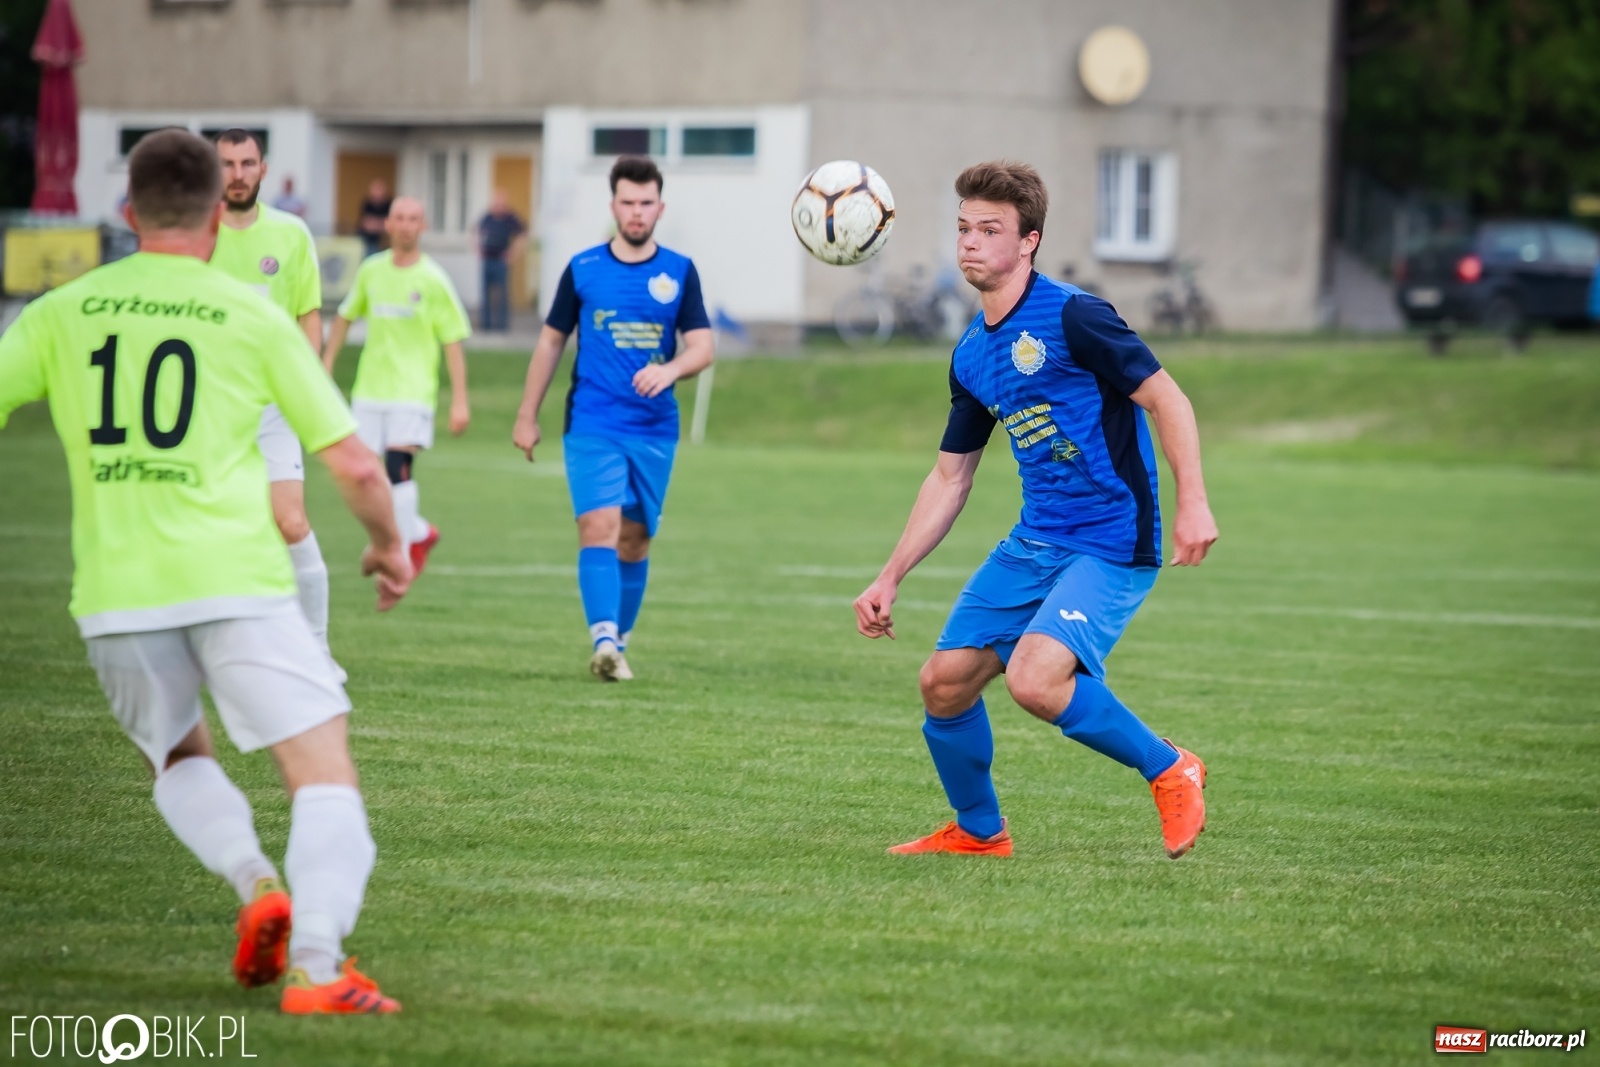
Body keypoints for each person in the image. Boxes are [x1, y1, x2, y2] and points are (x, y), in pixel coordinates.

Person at [0, 128, 411, 1012]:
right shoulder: (248, 315)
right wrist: (388, 545)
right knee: (322, 769)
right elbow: (355, 464)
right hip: (235, 582)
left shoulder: (62, 311)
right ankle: (318, 966)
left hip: (114, 596)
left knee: (178, 754)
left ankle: (255, 880)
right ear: (216, 220)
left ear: (128, 212)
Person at [852, 161, 1219, 859]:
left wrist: (1192, 502)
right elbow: (950, 476)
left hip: (1112, 538)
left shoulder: (1076, 316)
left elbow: (1167, 399)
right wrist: (889, 575)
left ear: (1029, 242)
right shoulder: (971, 355)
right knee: (943, 684)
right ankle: (979, 831)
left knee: (1035, 679)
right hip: (1038, 539)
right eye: (964, 228)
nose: (970, 242)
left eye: (990, 230)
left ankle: (1172, 768)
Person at [512, 156, 713, 682]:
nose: (637, 211)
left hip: (653, 428)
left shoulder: (679, 271)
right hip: (592, 421)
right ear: (613, 206)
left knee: (635, 538)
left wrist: (670, 370)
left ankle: (616, 646)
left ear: (660, 208)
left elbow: (703, 347)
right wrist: (527, 415)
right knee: (598, 525)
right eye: (628, 202)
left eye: (646, 202)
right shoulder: (583, 269)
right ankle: (602, 637)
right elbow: (550, 342)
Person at [210, 129, 337, 668]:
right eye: (226, 164)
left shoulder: (291, 234)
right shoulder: (196, 237)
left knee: (291, 523)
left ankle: (317, 651)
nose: (237, 174)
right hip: (207, 410)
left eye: (247, 163)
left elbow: (309, 317)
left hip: (272, 407)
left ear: (263, 169)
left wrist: (304, 388)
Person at [323, 196, 471, 578]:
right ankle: (418, 532)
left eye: (413, 219)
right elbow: (344, 317)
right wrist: (326, 365)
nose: (406, 225)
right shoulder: (371, 271)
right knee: (366, 478)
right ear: (387, 224)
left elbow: (453, 340)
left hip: (412, 391)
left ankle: (400, 555)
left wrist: (460, 401)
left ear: (423, 227)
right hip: (370, 390)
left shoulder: (434, 279)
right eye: (400, 218)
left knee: (397, 466)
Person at [477, 188, 526, 332]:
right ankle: (486, 324)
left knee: (502, 293)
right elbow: (477, 231)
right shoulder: (487, 217)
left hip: (501, 261)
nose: (498, 206)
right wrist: (478, 248)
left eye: (500, 204)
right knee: (486, 293)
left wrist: (513, 253)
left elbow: (522, 234)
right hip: (487, 259)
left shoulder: (510, 219)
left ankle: (502, 325)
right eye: (496, 203)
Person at [357, 179, 392, 258]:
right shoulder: (367, 203)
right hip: (368, 239)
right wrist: (380, 223)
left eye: (379, 189)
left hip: (385, 240)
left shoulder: (389, 204)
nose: (377, 192)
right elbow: (365, 223)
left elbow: (389, 224)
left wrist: (375, 223)